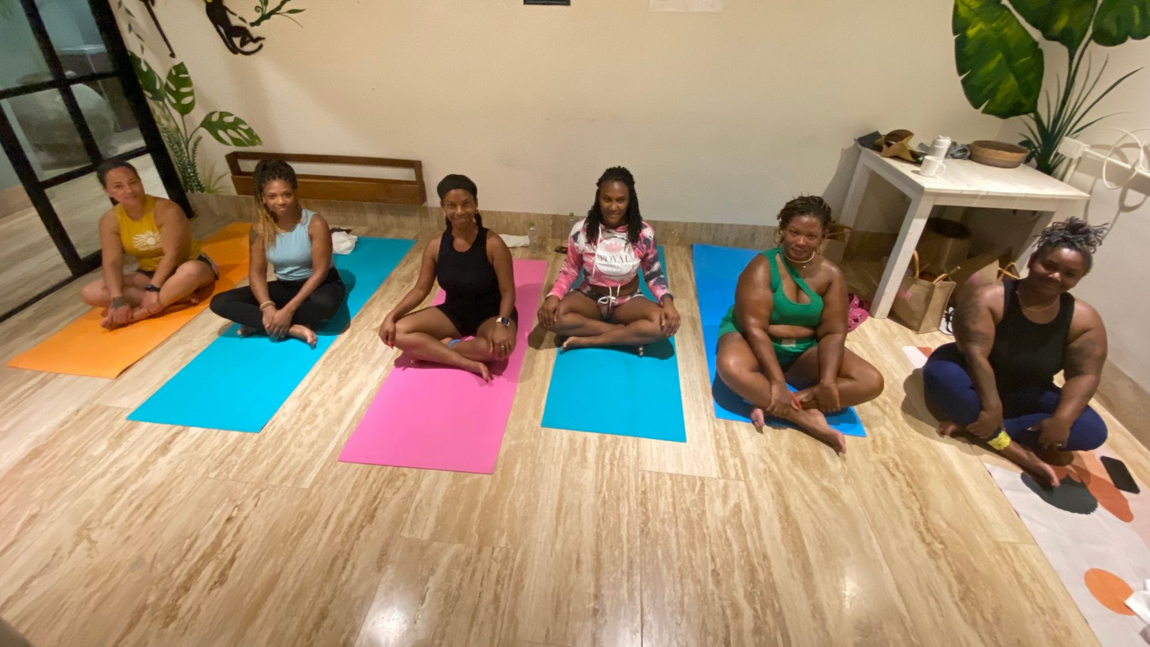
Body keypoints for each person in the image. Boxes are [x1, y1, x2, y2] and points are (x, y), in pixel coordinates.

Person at [923, 218, 1110, 487]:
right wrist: (991, 405)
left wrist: (1062, 419)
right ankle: (1013, 449)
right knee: (940, 377)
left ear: (1078, 279)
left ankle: (976, 426)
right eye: (1050, 266)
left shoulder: (1085, 320)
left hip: (1027, 388)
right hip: (969, 374)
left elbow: (1085, 375)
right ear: (1033, 260)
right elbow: (976, 356)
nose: (1056, 276)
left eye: (1069, 274)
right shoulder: (989, 298)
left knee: (1091, 431)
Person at [715, 196, 884, 453]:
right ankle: (803, 416)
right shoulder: (762, 266)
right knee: (730, 368)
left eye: (811, 236)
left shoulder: (831, 274)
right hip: (753, 341)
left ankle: (769, 402)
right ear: (784, 228)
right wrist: (777, 383)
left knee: (871, 381)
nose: (800, 242)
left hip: (803, 349)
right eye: (794, 232)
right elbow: (755, 328)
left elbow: (834, 332)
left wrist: (827, 381)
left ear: (823, 236)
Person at [379, 174, 517, 382]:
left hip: (492, 314)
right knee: (397, 332)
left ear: (476, 204)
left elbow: (508, 293)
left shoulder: (493, 244)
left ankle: (444, 347)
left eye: (466, 204)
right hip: (454, 312)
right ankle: (465, 362)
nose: (460, 211)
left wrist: (502, 323)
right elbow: (420, 289)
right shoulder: (435, 246)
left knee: (498, 350)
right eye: (452, 205)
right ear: (443, 208)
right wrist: (391, 316)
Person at [537, 166, 679, 352]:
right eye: (607, 199)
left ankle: (589, 340)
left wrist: (668, 303)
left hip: (627, 300)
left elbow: (653, 274)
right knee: (550, 318)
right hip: (590, 297)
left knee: (663, 325)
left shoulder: (644, 233)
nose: (613, 207)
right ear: (598, 199)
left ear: (630, 201)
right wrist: (553, 296)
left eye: (620, 200)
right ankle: (623, 335)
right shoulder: (582, 230)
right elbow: (570, 269)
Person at [209, 160, 345, 347]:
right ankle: (291, 328)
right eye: (272, 196)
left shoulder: (315, 223)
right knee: (220, 302)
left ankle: (263, 324)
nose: (280, 201)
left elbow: (320, 273)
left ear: (295, 193)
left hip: (320, 285)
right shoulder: (259, 228)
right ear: (263, 198)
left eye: (286, 194)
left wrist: (288, 310)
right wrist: (267, 306)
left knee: (323, 305)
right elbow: (257, 272)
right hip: (286, 286)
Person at [81, 160, 218, 328]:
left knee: (190, 271)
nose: (129, 190)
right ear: (108, 191)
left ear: (140, 181)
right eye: (118, 186)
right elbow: (112, 263)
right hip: (147, 275)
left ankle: (140, 314)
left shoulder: (166, 209)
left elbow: (173, 255)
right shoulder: (109, 221)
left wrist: (153, 288)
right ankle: (174, 298)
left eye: (133, 182)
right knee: (90, 292)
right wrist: (117, 300)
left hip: (186, 266)